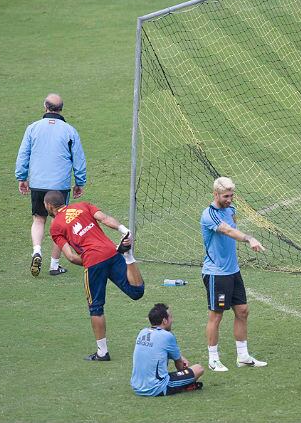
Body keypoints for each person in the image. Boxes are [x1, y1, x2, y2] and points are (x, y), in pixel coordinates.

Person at [44, 191, 144, 360]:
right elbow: (104, 219)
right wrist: (124, 230)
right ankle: (128, 256)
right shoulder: (83, 206)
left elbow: (70, 256)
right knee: (136, 292)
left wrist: (92, 260)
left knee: (96, 307)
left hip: (92, 263)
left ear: (49, 206)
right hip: (112, 252)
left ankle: (102, 352)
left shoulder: (55, 227)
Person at [15, 93, 87, 277]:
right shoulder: (70, 130)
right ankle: (54, 265)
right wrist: (80, 182)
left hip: (38, 183)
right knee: (60, 223)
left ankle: (37, 250)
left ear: (45, 107)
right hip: (59, 185)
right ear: (61, 109)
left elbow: (23, 154)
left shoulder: (32, 128)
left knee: (38, 219)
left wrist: (22, 177)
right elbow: (78, 159)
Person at [200, 177, 267, 371]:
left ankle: (243, 356)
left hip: (232, 271)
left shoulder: (231, 210)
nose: (229, 199)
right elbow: (228, 231)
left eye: (231, 195)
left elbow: (233, 224)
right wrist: (249, 238)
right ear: (216, 194)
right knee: (216, 315)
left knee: (242, 311)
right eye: (226, 196)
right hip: (216, 273)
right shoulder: (209, 215)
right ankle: (213, 359)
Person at [131, 303, 204, 396]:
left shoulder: (142, 332)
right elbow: (179, 365)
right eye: (171, 317)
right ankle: (186, 386)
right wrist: (184, 372)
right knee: (198, 368)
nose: (172, 320)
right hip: (156, 387)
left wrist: (181, 357)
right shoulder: (167, 336)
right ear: (164, 321)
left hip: (136, 386)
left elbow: (157, 349)